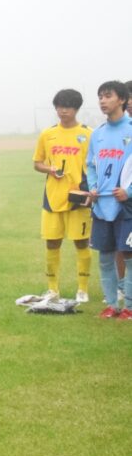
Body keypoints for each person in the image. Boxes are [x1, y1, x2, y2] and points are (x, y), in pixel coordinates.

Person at [32, 89, 93, 301]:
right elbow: (37, 163)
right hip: (52, 197)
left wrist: (89, 188)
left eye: (67, 107)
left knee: (81, 243)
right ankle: (52, 289)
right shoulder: (47, 134)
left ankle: (83, 289)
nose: (62, 111)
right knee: (52, 242)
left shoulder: (88, 134)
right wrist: (49, 169)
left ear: (76, 109)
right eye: (59, 106)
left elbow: (94, 165)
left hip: (78, 197)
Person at [82, 80, 132, 318]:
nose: (102, 101)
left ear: (121, 99)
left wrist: (129, 192)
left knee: (130, 257)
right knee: (104, 258)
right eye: (100, 96)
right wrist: (92, 187)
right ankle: (112, 304)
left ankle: (130, 308)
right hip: (102, 206)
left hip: (127, 207)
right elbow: (90, 165)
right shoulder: (98, 134)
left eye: (108, 96)